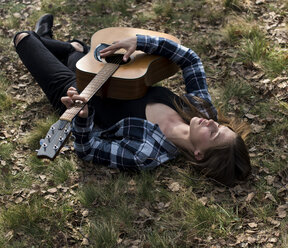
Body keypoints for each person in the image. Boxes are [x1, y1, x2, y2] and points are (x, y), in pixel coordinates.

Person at [14, 14, 251, 186]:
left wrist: (83, 118)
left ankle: (49, 40)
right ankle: (68, 47)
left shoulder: (146, 153)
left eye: (214, 133)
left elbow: (88, 149)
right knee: (76, 57)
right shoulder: (202, 111)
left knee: (22, 38)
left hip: (77, 95)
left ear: (199, 154)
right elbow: (191, 61)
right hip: (107, 75)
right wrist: (140, 42)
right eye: (219, 126)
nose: (211, 123)